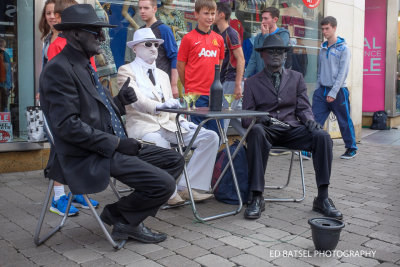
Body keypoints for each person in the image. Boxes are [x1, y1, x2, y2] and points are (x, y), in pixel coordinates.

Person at [39, 4, 184, 243]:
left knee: (175, 160)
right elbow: (68, 127)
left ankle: (123, 218)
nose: (103, 37)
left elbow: (95, 113)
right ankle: (124, 219)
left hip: (108, 146)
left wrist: (118, 102)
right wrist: (116, 142)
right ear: (75, 34)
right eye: (96, 32)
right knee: (165, 185)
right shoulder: (59, 70)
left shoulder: (86, 65)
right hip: (87, 154)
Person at [242, 34, 342, 220]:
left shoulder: (296, 78)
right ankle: (256, 196)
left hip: (291, 128)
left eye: (280, 51)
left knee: (322, 136)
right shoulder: (252, 83)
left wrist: (310, 120)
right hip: (267, 130)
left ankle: (322, 197)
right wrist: (258, 118)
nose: (276, 55)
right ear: (262, 55)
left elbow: (303, 107)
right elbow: (246, 117)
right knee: (255, 131)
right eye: (271, 51)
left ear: (286, 55)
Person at [118, 28, 218, 205]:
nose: (153, 48)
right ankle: (167, 192)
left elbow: (171, 106)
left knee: (210, 136)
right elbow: (136, 100)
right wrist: (158, 106)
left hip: (168, 125)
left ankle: (188, 186)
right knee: (161, 145)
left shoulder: (163, 75)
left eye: (156, 44)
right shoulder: (126, 71)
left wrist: (181, 120)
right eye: (148, 44)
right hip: (143, 127)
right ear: (135, 49)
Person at [39, 0, 99, 217]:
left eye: (56, 13)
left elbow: (89, 71)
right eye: (49, 13)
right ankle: (57, 197)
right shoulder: (57, 44)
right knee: (62, 148)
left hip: (82, 105)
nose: (52, 17)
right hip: (67, 108)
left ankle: (78, 190)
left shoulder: (79, 42)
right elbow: (60, 79)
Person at [312, 16, 357, 159]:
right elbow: (320, 71)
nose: (324, 32)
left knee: (344, 121)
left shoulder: (344, 49)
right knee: (314, 121)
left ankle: (351, 148)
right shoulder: (323, 48)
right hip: (322, 91)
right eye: (323, 29)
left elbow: (343, 73)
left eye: (327, 29)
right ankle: (311, 147)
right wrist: (318, 88)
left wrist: (333, 92)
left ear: (334, 28)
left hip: (338, 91)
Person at [177, 0, 224, 136]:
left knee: (216, 133)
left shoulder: (219, 39)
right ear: (196, 14)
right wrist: (189, 87)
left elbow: (219, 64)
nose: (210, 17)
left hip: (214, 95)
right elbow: (180, 65)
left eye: (212, 13)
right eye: (206, 13)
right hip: (195, 94)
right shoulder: (188, 38)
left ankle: (215, 158)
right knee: (196, 135)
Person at [214, 2, 245, 135]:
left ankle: (219, 148)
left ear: (221, 15)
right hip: (225, 81)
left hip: (231, 80)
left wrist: (238, 84)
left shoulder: (231, 33)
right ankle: (251, 139)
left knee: (224, 117)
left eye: (213, 12)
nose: (211, 15)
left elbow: (241, 59)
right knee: (233, 117)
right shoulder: (219, 32)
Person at [138, 0, 179, 98]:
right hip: (144, 84)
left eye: (146, 8)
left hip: (162, 85)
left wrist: (174, 85)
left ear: (155, 9)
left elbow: (174, 57)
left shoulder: (164, 30)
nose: (142, 11)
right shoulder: (140, 31)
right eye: (140, 8)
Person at [244, 7, 289, 79]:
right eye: (262, 18)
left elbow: (276, 51)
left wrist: (266, 36)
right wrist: (246, 76)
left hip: (276, 78)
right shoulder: (258, 37)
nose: (262, 22)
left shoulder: (283, 34)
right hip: (261, 78)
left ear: (275, 19)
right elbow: (253, 59)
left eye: (266, 18)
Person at [0, 39, 12, 112]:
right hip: (5, 85)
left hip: (3, 84)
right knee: (4, 106)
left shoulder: (4, 55)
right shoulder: (6, 55)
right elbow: (8, 72)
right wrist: (9, 85)